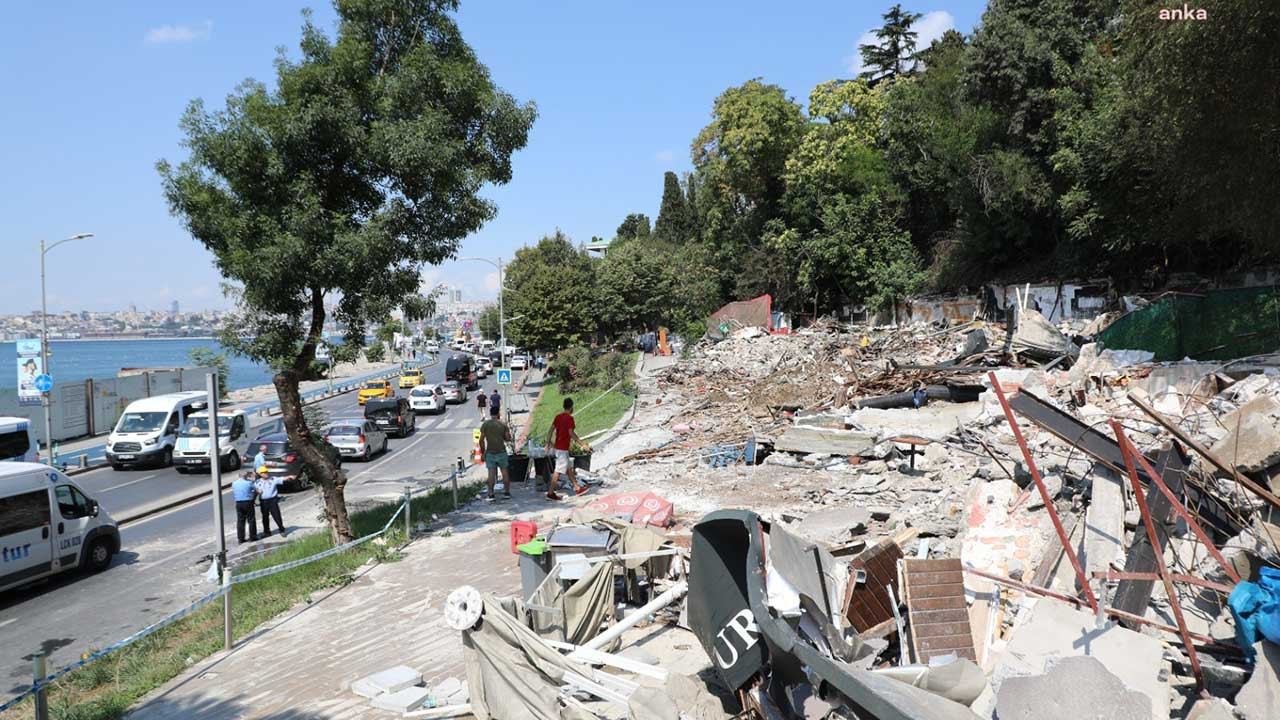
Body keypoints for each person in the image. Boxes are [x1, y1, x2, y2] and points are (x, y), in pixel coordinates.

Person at [544, 397, 590, 500]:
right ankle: (550, 493)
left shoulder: (558, 417)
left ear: (564, 406)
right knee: (558, 471)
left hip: (558, 447)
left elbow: (550, 430)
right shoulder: (570, 419)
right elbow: (571, 433)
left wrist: (547, 443)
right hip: (562, 448)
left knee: (568, 468)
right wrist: (582, 444)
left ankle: (577, 488)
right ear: (571, 407)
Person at [478, 405, 512, 502]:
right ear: (498, 414)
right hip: (501, 452)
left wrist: (483, 452)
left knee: (491, 474)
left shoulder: (485, 424)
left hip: (490, 453)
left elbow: (481, 440)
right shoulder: (503, 425)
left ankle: (491, 493)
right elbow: (507, 438)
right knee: (505, 473)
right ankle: (506, 492)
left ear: (490, 413)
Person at [255, 466, 286, 537]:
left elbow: (282, 479)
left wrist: (289, 477)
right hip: (263, 501)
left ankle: (281, 529)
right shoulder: (257, 482)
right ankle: (267, 532)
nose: (266, 473)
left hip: (272, 500)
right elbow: (253, 489)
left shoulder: (272, 479)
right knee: (265, 517)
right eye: (264, 472)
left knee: (276, 515)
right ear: (260, 474)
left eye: (266, 472)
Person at [232, 471, 259, 543]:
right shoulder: (249, 483)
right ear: (246, 476)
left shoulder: (234, 483)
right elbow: (257, 490)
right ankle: (252, 536)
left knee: (240, 520)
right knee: (251, 519)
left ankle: (240, 538)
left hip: (238, 503)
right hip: (248, 502)